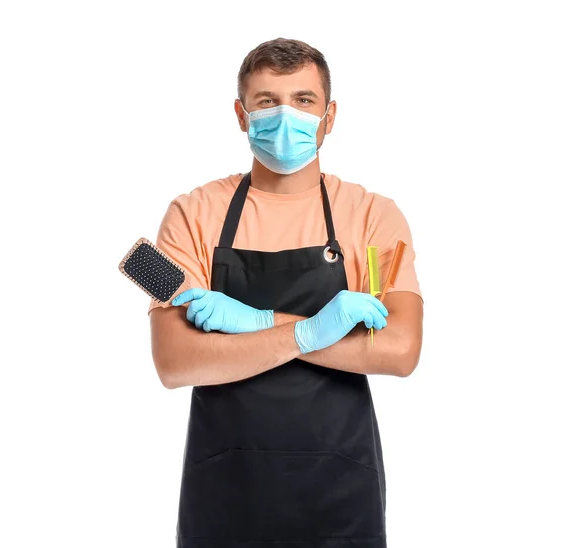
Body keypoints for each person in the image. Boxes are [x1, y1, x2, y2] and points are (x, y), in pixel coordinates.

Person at [148, 37, 424, 548]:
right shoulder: (192, 214)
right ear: (240, 114)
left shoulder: (371, 216)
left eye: (303, 100)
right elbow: (176, 361)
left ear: (330, 115)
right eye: (266, 101)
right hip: (224, 491)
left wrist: (253, 323)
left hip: (342, 491)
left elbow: (399, 350)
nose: (285, 117)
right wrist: (313, 331)